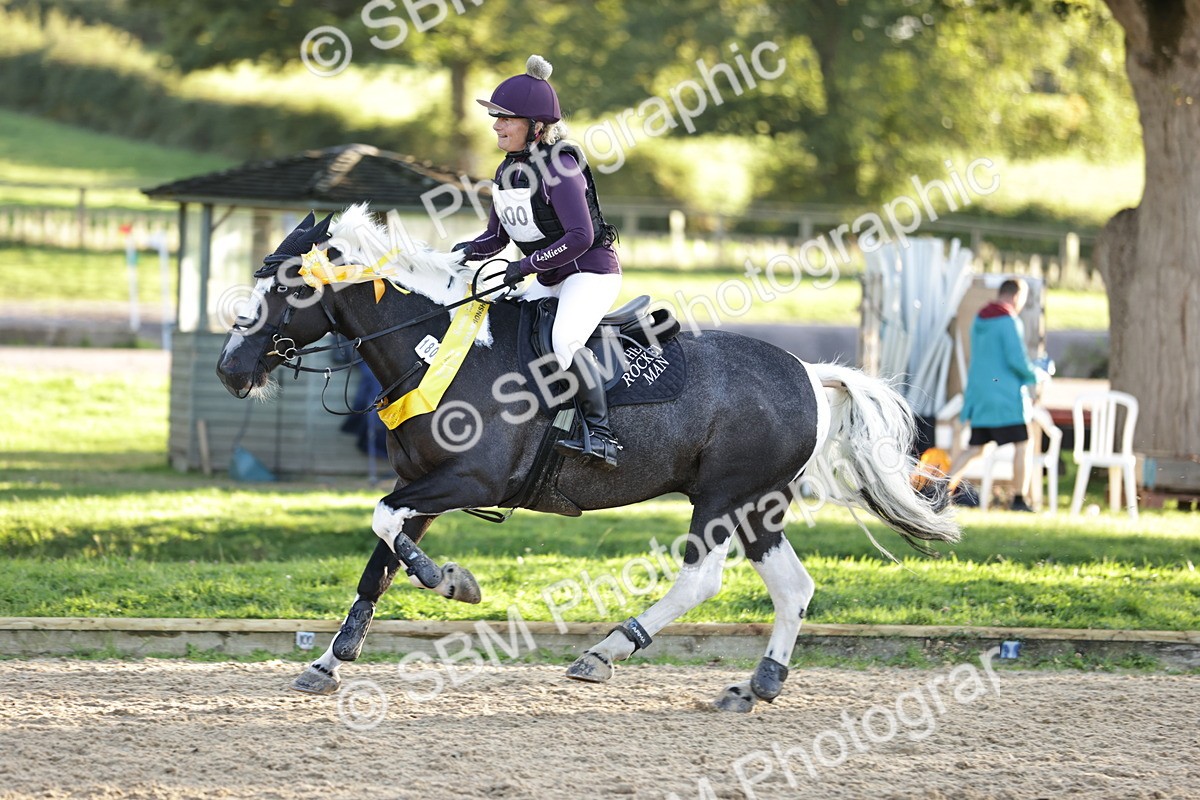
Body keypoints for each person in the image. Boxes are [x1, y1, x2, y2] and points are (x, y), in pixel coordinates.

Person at [453, 55, 622, 469]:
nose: (496, 125)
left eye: (505, 119)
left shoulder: (560, 168)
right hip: (548, 274)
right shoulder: (507, 170)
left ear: (537, 127)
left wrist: (525, 267)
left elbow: (580, 237)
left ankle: (602, 436)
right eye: (496, 118)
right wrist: (456, 255)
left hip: (590, 272)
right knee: (509, 331)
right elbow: (495, 238)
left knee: (563, 341)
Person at [946, 278, 1042, 512]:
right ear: (1017, 296)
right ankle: (1019, 499)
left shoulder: (979, 319)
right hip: (1005, 397)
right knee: (1023, 443)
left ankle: (940, 490)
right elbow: (1016, 359)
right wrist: (1036, 375)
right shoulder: (1009, 321)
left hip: (981, 394)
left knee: (976, 447)